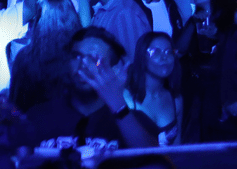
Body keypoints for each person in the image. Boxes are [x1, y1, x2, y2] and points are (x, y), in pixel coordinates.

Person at [16, 27, 158, 153]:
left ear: (114, 70)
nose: (83, 65)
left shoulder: (133, 120)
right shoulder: (38, 116)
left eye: (95, 59)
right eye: (76, 57)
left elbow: (153, 159)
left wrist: (118, 104)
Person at [6, 0, 83, 112]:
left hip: (35, 126)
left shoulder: (25, 59)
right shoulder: (82, 59)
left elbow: (16, 104)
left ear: (39, 19)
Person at [121, 31, 182, 146]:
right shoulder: (126, 98)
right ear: (142, 57)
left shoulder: (175, 99)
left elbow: (178, 149)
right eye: (155, 52)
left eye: (169, 52)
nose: (164, 57)